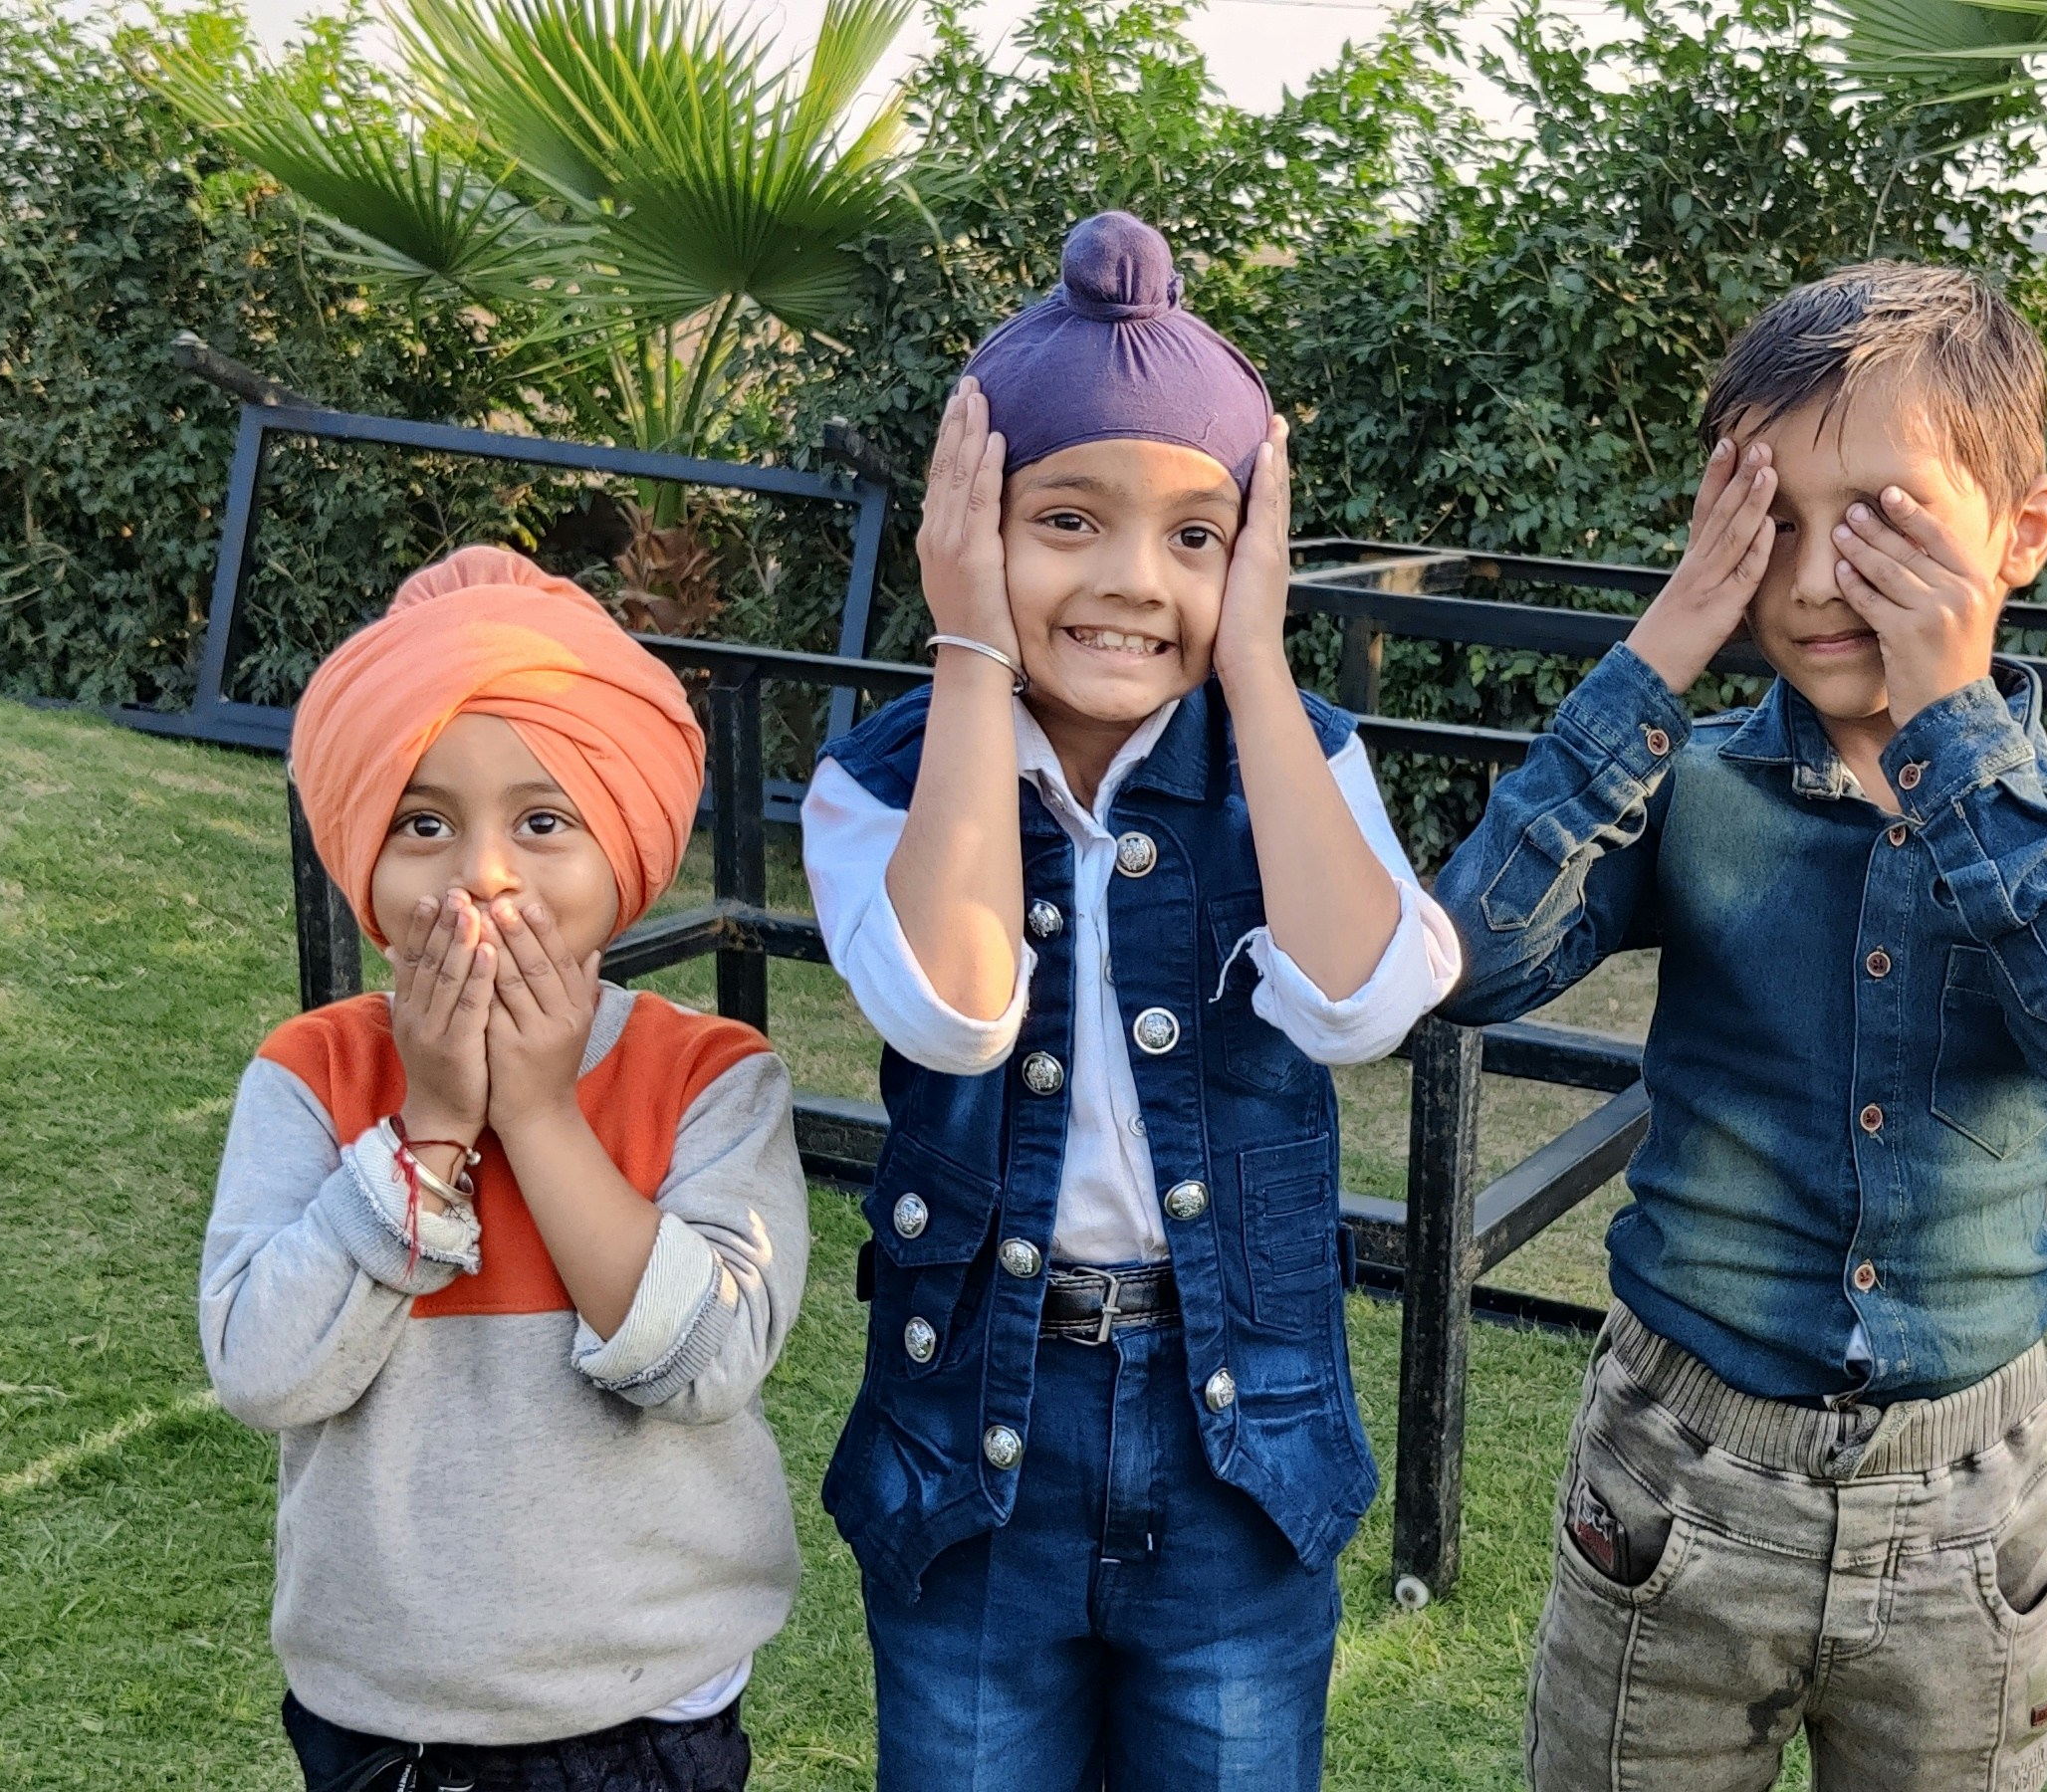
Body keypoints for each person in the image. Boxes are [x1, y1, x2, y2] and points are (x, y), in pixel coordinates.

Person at [1433, 262, 2047, 1792]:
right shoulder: (1694, 787)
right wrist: (1657, 656)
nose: (1811, 580)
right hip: (1677, 1476)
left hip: (1969, 1506)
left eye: (1879, 522)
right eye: (1770, 523)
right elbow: (1471, 962)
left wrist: (1957, 745)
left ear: (2023, 531)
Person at [801, 210, 1462, 1792]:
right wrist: (970, 646)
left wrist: (1258, 667)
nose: (1129, 581)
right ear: (972, 528)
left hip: (1238, 1440)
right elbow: (956, 1012)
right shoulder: (880, 781)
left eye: (1193, 536)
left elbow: (1367, 1001)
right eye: (1066, 520)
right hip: (976, 1438)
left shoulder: (1293, 756)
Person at [198, 545, 811, 1792]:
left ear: (622, 851)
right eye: (423, 823)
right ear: (362, 852)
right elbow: (262, 1370)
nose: (482, 873)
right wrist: (429, 1124)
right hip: (383, 1718)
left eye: (542, 822)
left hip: (649, 1714)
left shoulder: (712, 1077)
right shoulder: (309, 1074)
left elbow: (707, 1365)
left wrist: (536, 1115)